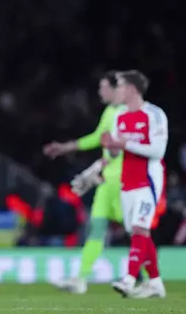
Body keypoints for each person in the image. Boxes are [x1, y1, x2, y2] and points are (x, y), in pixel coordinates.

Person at [43, 71, 124, 294]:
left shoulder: (129, 113)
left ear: (115, 89)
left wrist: (97, 166)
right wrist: (64, 148)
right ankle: (80, 279)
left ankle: (151, 278)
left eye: (103, 87)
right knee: (96, 230)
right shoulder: (110, 111)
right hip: (108, 182)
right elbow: (97, 138)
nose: (100, 92)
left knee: (138, 231)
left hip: (127, 182)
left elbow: (120, 148)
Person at [104, 70, 168, 299]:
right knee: (140, 233)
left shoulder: (154, 114)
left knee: (140, 229)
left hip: (148, 181)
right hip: (127, 182)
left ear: (132, 89)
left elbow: (158, 151)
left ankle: (129, 280)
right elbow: (114, 152)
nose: (116, 91)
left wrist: (124, 144)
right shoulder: (119, 116)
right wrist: (111, 146)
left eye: (120, 86)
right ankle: (155, 283)